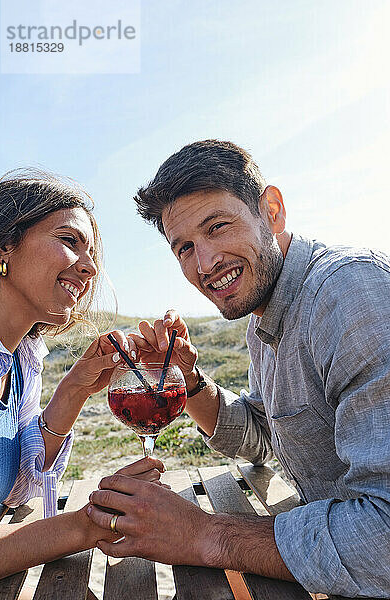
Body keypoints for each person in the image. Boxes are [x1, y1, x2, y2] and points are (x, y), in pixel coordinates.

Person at [87, 140, 390, 598]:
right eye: (185, 247)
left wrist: (205, 535)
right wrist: (190, 383)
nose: (205, 263)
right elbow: (267, 437)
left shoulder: (347, 296)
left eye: (218, 227)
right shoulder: (263, 319)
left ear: (271, 210)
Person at [0, 169, 164, 583]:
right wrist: (89, 523)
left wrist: (74, 388)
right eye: (70, 241)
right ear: (4, 245)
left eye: (93, 256)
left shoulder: (21, 360)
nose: (89, 270)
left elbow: (17, 492)